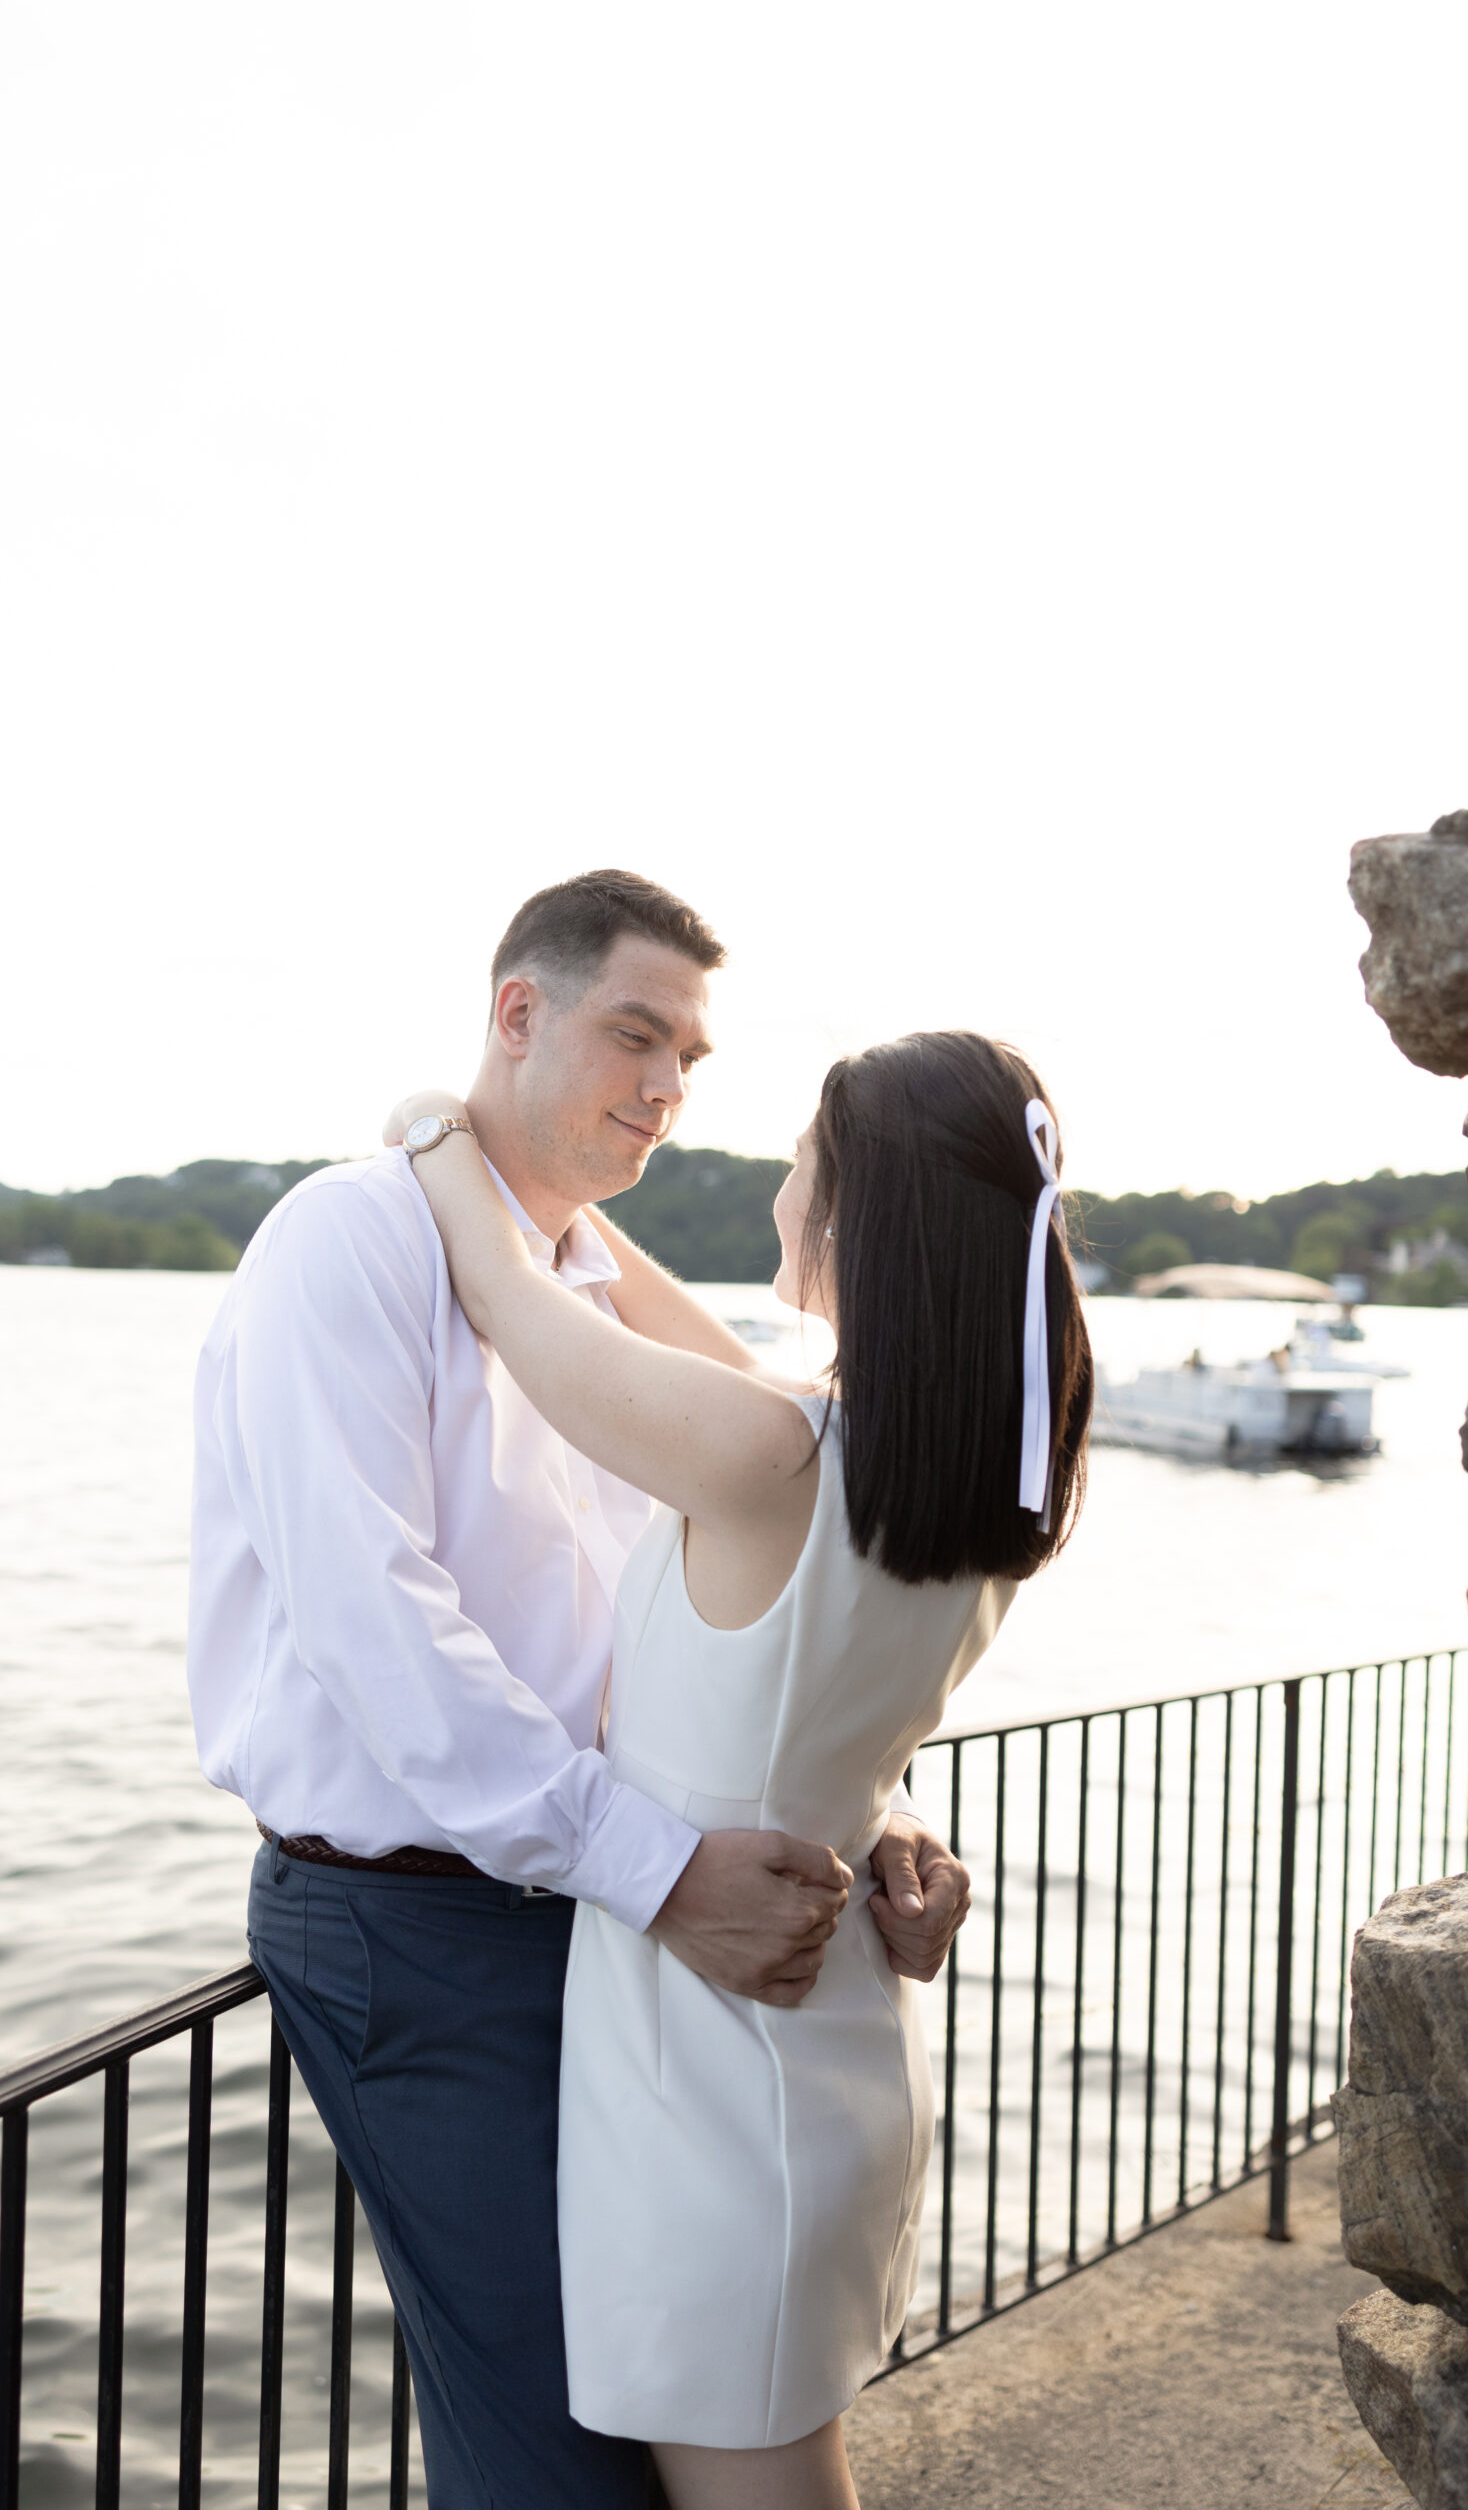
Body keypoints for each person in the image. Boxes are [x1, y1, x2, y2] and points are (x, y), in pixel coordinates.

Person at [186, 871, 973, 2510]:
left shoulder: (592, 1295)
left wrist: (861, 1812)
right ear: (516, 1013)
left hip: (613, 1914)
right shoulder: (350, 1236)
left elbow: (721, 1638)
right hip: (431, 1920)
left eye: (692, 1055)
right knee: (558, 2455)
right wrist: (661, 1868)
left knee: (658, 2404)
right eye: (635, 1035)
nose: (669, 1091)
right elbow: (371, 1619)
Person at [386, 1027, 1093, 2510]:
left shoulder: (773, 1459)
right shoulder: (963, 1481)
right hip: (820, 2040)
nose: (780, 1192)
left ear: (853, 1217)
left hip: (711, 2073)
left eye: (798, 1166)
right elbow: (689, 1362)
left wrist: (442, 1136)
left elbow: (515, 1301)